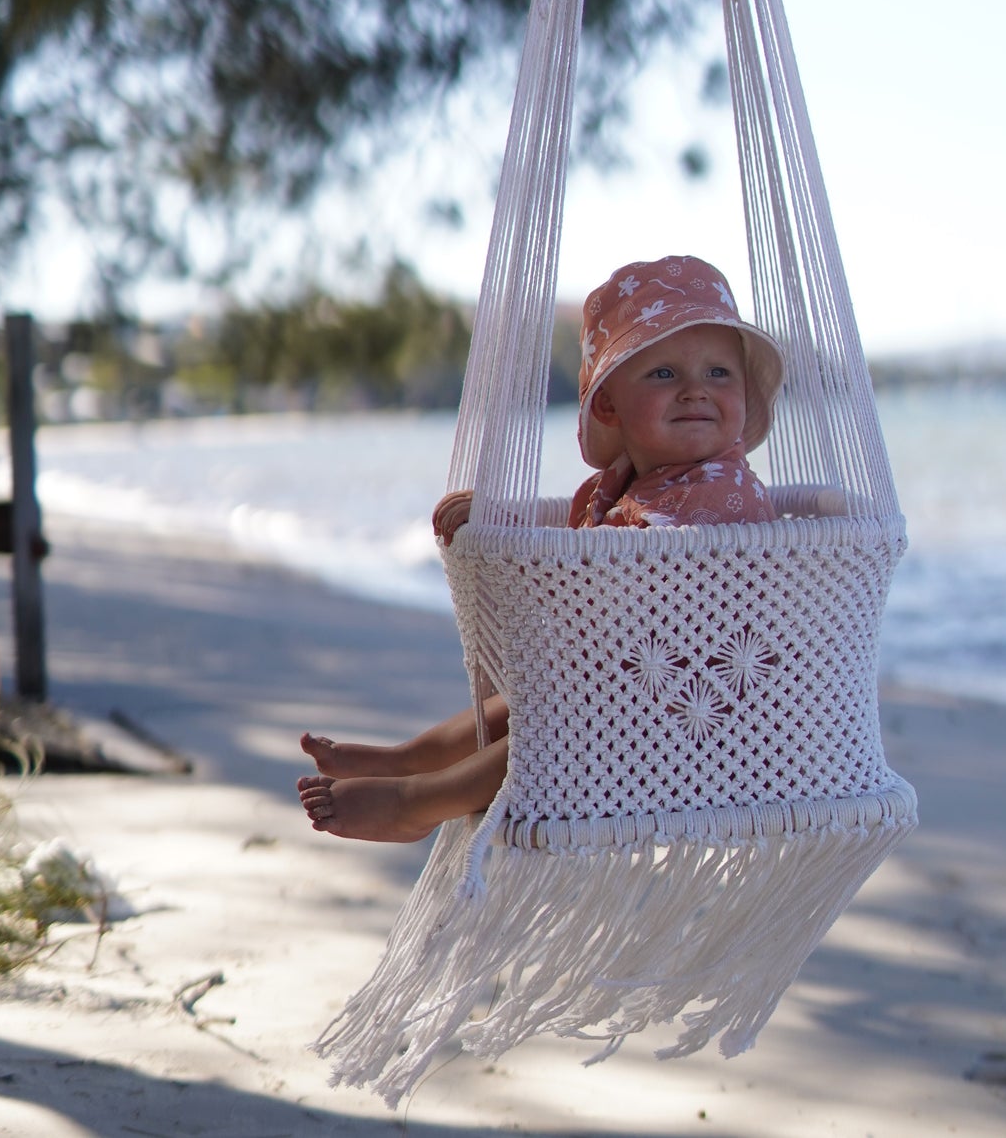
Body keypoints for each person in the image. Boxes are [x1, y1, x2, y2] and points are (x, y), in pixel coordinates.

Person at [297, 255, 785, 843]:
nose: (694, 391)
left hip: (706, 716)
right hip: (637, 686)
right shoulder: (632, 479)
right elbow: (585, 540)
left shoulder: (722, 490)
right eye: (662, 375)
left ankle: (416, 801)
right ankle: (408, 757)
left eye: (718, 374)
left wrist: (518, 540)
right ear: (609, 406)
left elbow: (619, 567)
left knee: (558, 720)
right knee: (525, 701)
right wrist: (500, 517)